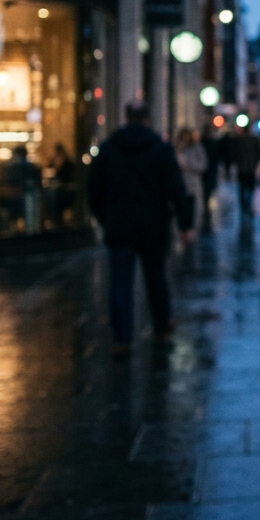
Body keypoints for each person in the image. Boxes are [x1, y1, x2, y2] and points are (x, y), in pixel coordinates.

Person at [87, 101, 193, 356]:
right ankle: (161, 326)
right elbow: (176, 189)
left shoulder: (109, 149)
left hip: (120, 224)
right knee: (155, 277)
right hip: (153, 224)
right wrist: (185, 224)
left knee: (120, 282)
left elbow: (93, 191)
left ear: (126, 117)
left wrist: (105, 218)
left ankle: (122, 338)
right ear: (147, 118)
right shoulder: (160, 149)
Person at [174, 127, 208, 226]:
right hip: (180, 184)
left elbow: (203, 165)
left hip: (193, 184)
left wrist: (188, 164)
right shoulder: (176, 149)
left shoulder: (197, 148)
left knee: (193, 210)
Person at [232, 124, 260, 214]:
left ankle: (244, 206)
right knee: (249, 189)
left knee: (242, 189)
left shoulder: (239, 140)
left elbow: (234, 154)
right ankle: (247, 205)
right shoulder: (254, 140)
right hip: (250, 169)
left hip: (243, 169)